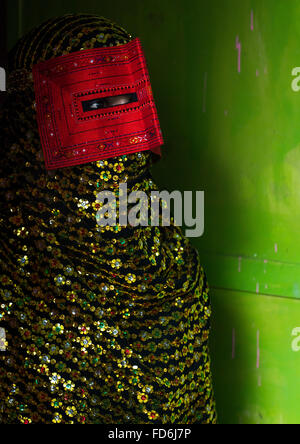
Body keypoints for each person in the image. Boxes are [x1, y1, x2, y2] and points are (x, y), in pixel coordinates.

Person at [0, 13, 217, 424]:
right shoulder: (17, 258)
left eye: (125, 100)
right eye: (94, 105)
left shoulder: (165, 243)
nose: (117, 144)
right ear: (29, 116)